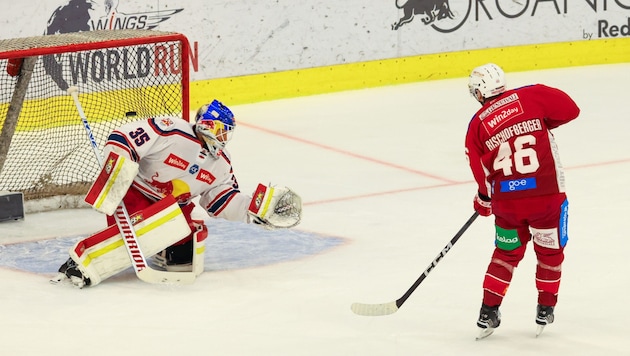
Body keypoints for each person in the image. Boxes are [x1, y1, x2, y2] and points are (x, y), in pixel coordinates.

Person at [53, 99, 302, 288]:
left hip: (171, 208)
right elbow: (125, 137)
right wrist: (118, 165)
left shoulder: (221, 164)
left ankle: (162, 249)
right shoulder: (172, 131)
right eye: (223, 130)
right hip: (134, 196)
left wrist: (251, 209)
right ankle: (81, 263)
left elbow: (220, 201)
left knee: (187, 250)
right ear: (209, 125)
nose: (226, 138)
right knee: (145, 232)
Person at [464, 63, 580, 337]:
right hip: (546, 197)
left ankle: (488, 311)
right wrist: (542, 122)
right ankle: (545, 308)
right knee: (550, 252)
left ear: (480, 93)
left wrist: (484, 198)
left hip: (508, 204)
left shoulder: (477, 124)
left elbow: (478, 168)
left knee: (505, 254)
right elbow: (571, 110)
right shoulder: (532, 96)